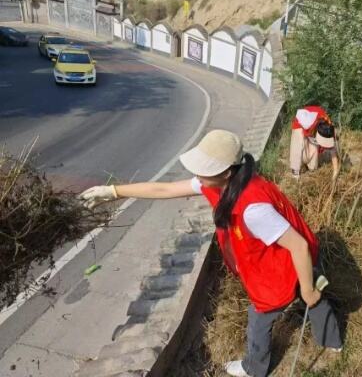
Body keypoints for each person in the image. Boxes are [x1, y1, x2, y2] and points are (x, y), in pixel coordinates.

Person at [79, 130, 342, 377]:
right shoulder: (222, 182)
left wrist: (306, 289)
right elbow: (164, 189)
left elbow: (299, 247)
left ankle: (254, 367)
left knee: (266, 314)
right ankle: (333, 342)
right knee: (316, 297)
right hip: (276, 257)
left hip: (284, 263)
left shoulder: (253, 209)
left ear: (226, 172)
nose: (198, 178)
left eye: (203, 172)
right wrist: (113, 192)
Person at [290, 105, 340, 180]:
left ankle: (309, 165)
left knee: (313, 165)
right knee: (299, 146)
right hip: (301, 126)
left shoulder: (328, 129)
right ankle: (295, 171)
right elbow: (296, 147)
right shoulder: (305, 122)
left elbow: (333, 151)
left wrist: (335, 172)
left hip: (313, 129)